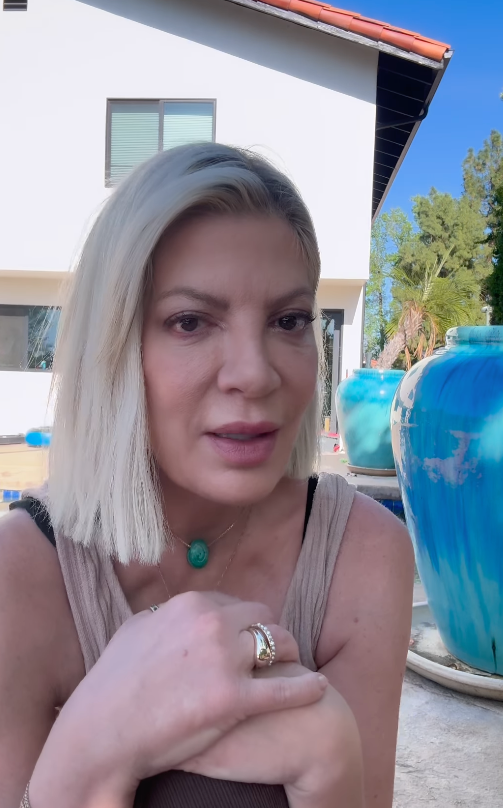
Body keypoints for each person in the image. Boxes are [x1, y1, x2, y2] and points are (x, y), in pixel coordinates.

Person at [0, 143, 414, 808]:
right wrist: (93, 744)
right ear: (115, 349)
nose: (254, 373)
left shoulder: (360, 554)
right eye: (190, 322)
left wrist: (333, 761)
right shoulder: (19, 577)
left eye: (288, 321)